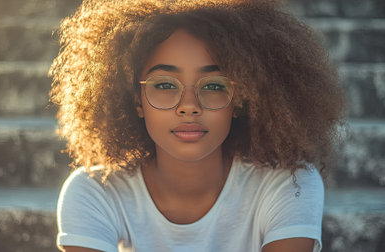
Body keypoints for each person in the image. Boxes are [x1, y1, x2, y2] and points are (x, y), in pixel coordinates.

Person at [49, 0, 347, 251]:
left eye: (214, 85)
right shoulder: (95, 191)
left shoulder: (289, 184)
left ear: (240, 99)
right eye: (165, 84)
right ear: (137, 101)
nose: (189, 105)